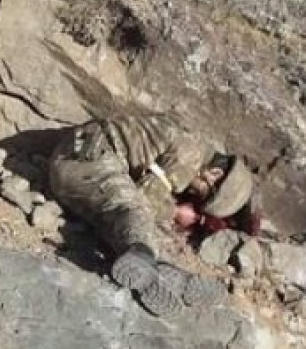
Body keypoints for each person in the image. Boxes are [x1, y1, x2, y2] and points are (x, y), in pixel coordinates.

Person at [49, 111, 257, 316]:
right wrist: (175, 211)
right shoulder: (190, 156)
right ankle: (145, 258)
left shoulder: (190, 142)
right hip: (86, 163)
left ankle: (156, 270)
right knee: (134, 211)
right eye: (205, 195)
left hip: (76, 168)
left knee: (116, 224)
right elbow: (146, 198)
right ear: (215, 174)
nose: (194, 194)